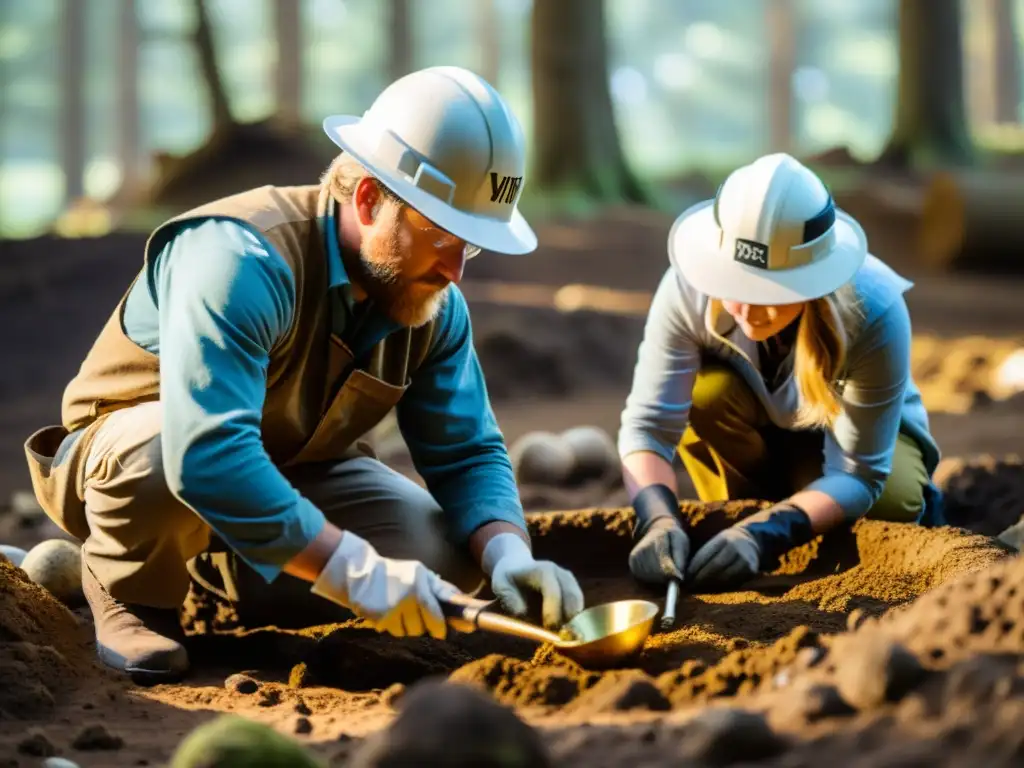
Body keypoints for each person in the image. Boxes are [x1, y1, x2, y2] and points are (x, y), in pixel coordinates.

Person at [23, 66, 584, 682]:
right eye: (442, 235)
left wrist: (507, 551)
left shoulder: (430, 301)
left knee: (444, 552)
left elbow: (470, 452)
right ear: (368, 199)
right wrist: (353, 572)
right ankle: (128, 587)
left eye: (471, 245)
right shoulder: (238, 258)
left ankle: (219, 577)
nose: (456, 271)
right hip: (138, 463)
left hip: (289, 470)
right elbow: (206, 455)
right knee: (166, 451)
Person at [618, 153, 944, 591]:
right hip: (755, 431)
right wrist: (657, 517)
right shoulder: (687, 287)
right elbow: (648, 428)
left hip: (852, 442)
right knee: (706, 393)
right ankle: (745, 511)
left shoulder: (874, 309)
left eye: (767, 289)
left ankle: (786, 513)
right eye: (733, 282)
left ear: (815, 278)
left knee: (890, 500)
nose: (747, 308)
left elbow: (860, 472)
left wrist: (770, 532)